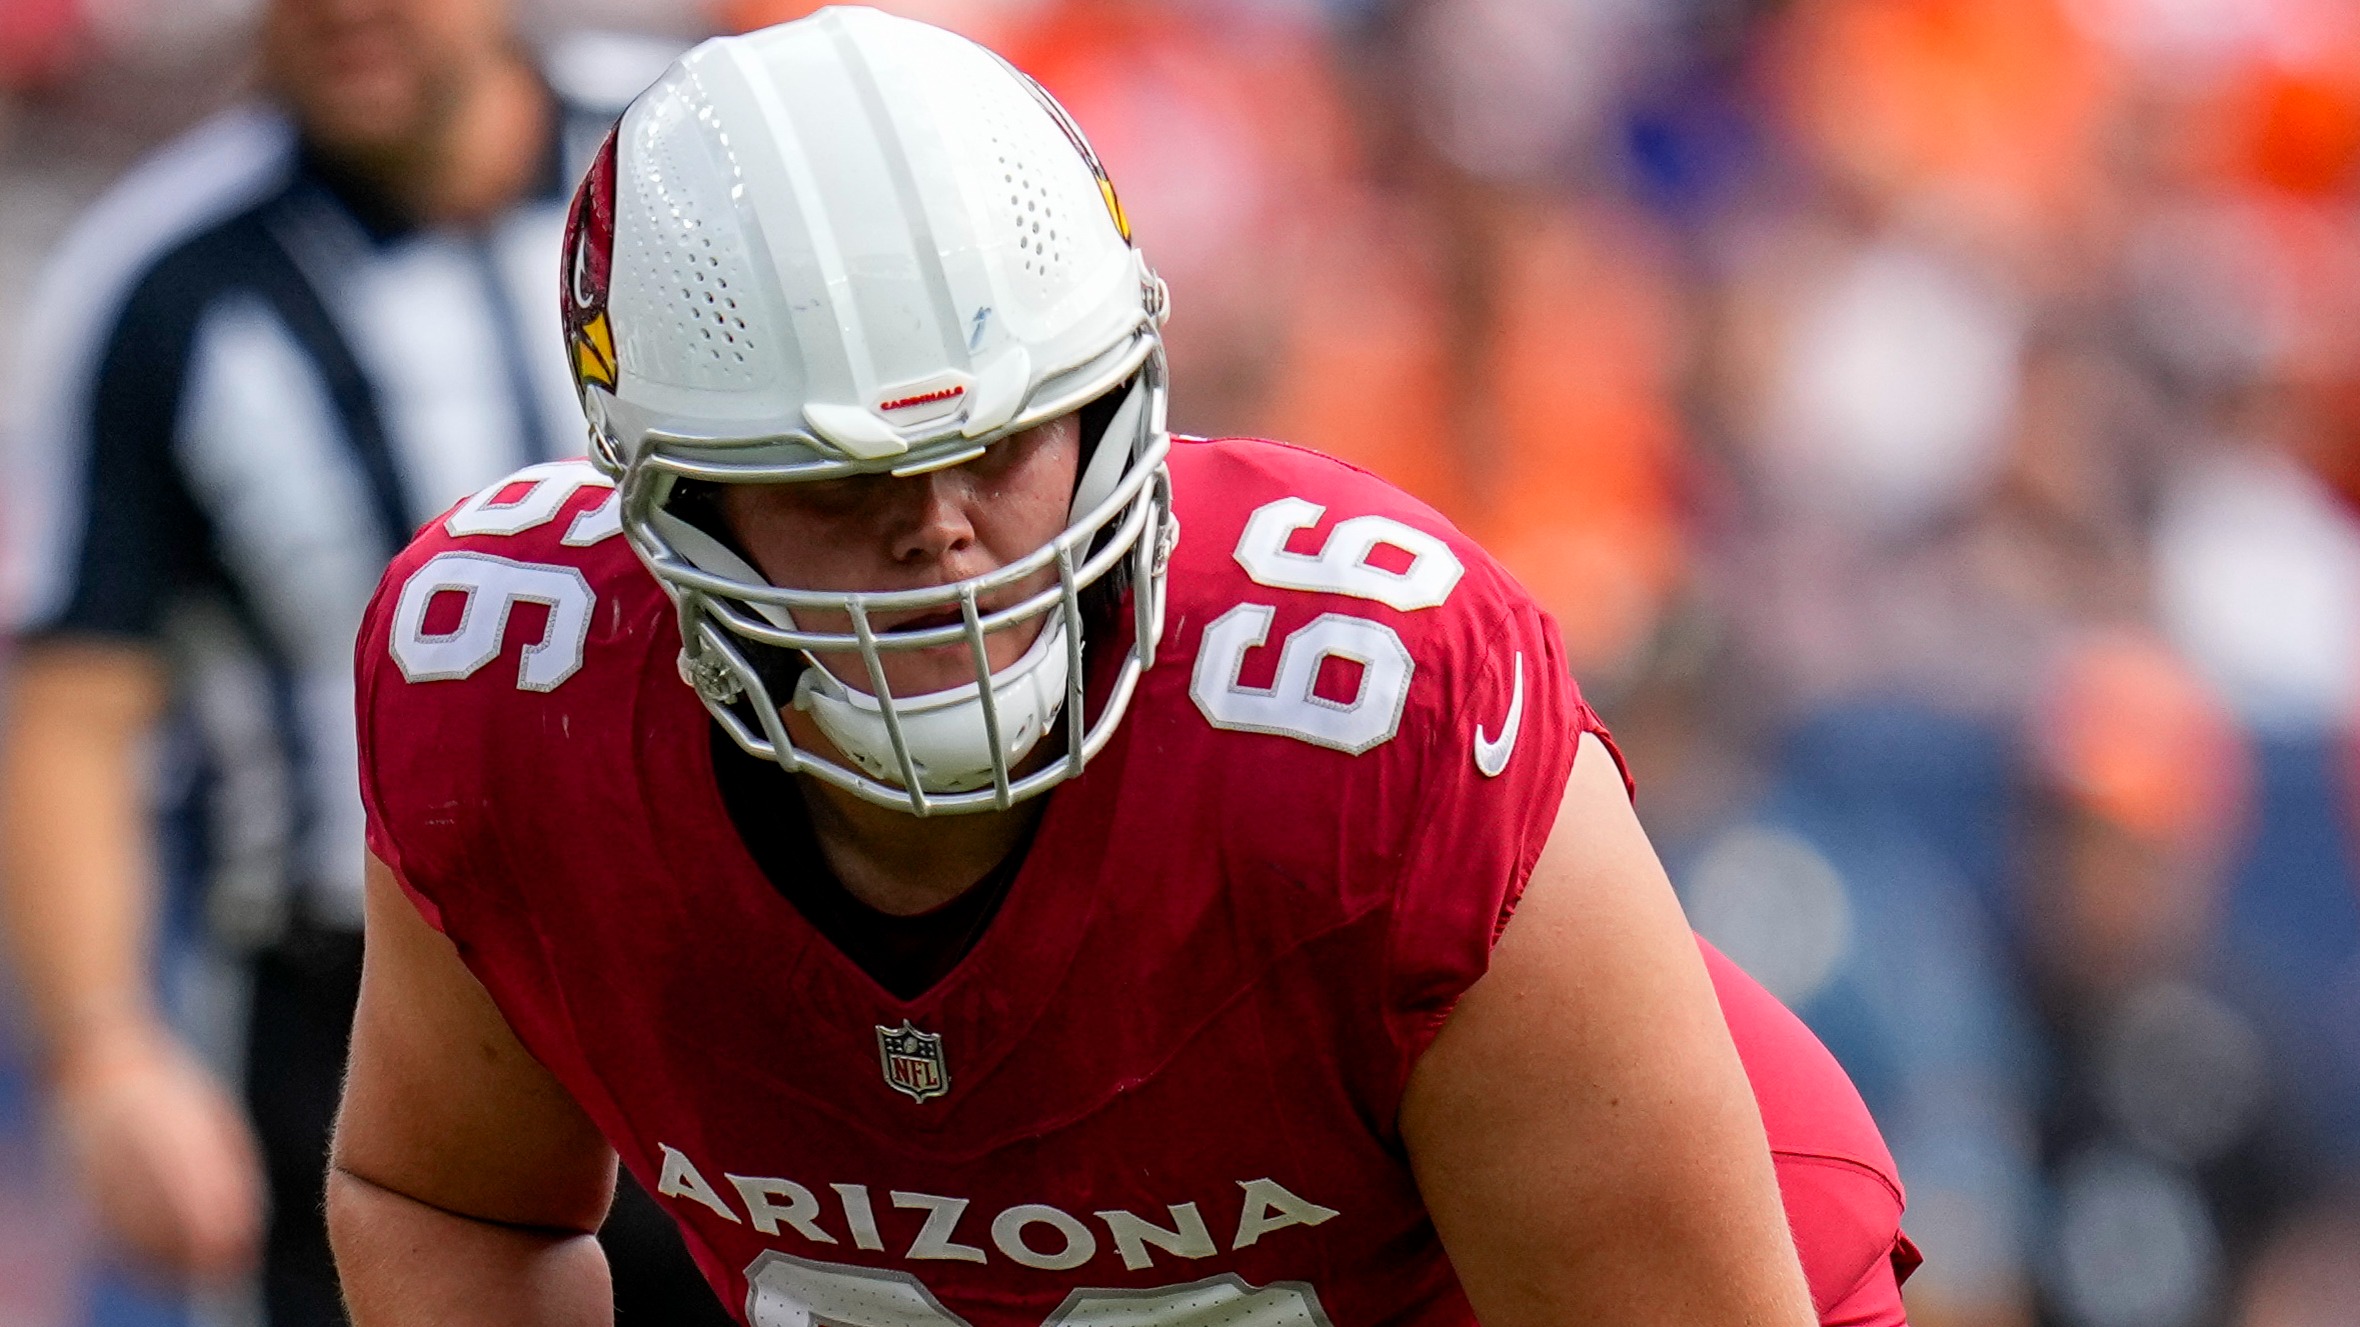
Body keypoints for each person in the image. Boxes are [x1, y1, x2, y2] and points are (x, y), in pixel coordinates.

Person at [327, 9, 1919, 1324]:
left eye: (1003, 446)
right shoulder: (512, 693)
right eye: (842, 487)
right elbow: (444, 1198)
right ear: (670, 496)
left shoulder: (1369, 719)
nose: (944, 538)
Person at [0, 0, 729, 1323]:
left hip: (722, 964)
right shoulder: (166, 278)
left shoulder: (705, 146)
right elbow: (75, 708)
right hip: (350, 1026)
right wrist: (104, 1057)